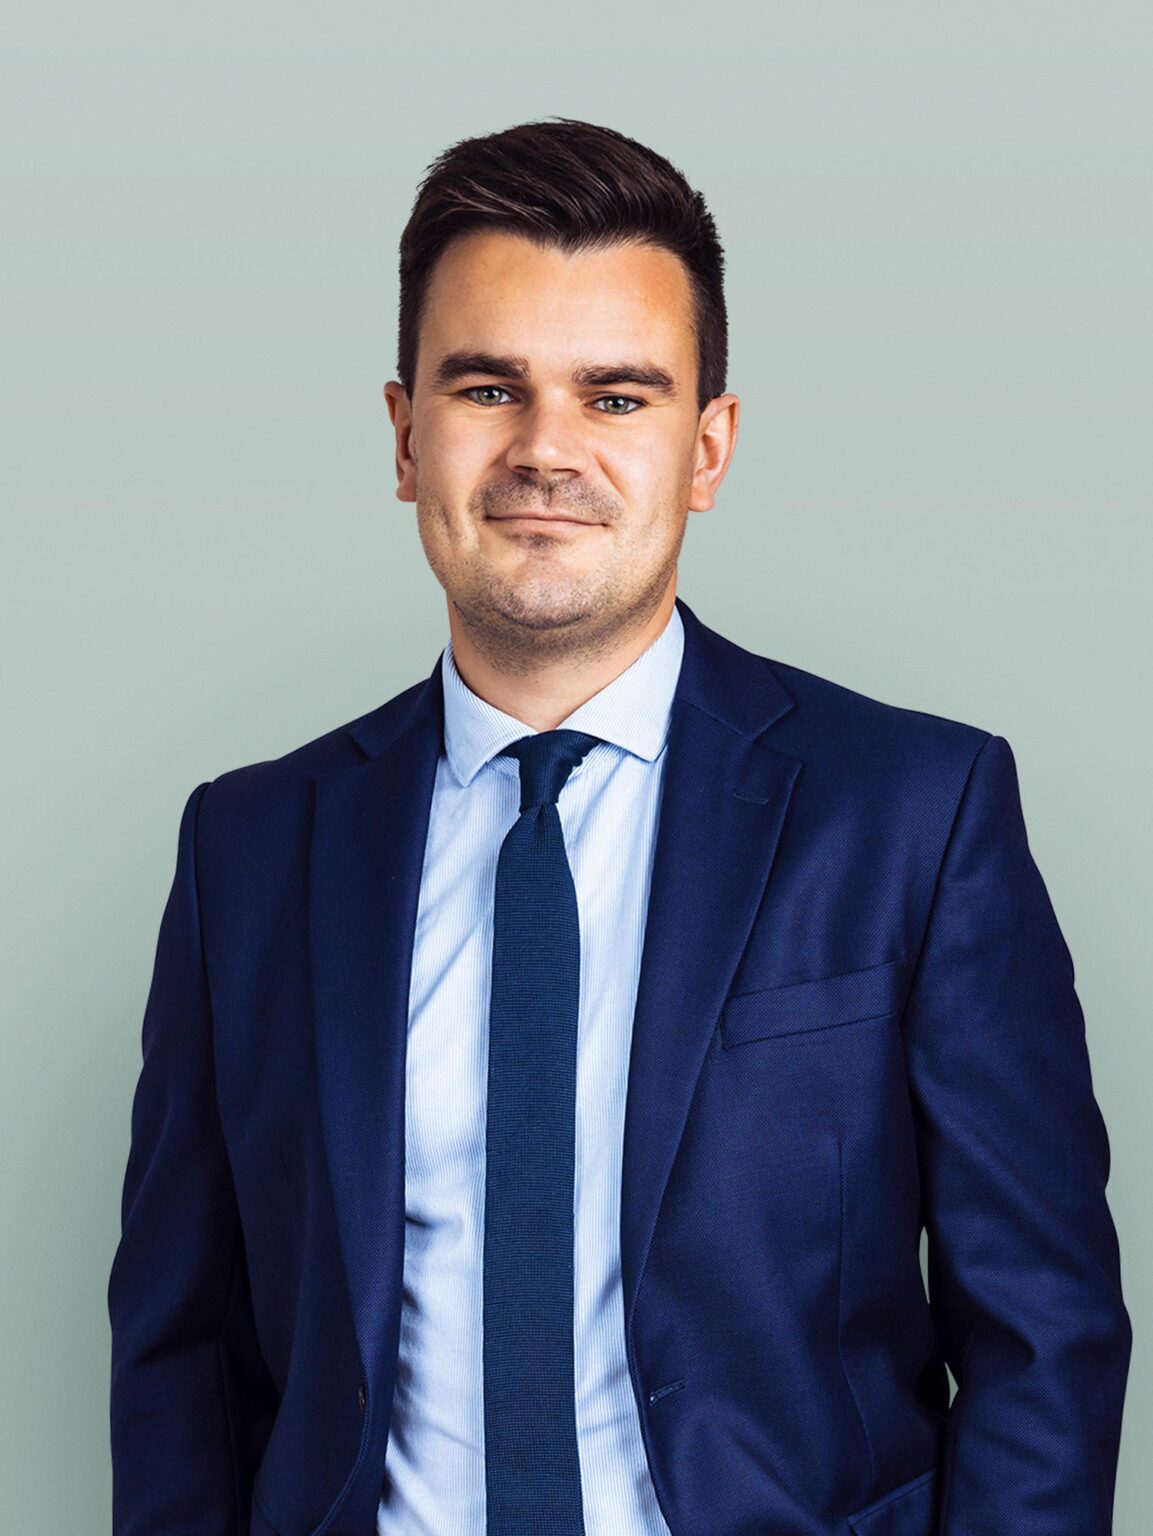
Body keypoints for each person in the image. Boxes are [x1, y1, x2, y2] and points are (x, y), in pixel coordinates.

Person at [107, 116, 1131, 1536]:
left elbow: (1041, 1334)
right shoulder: (250, 850)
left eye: (616, 397)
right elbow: (179, 1358)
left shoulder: (916, 814)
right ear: (404, 437)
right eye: (487, 388)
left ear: (707, 449)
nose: (546, 450)